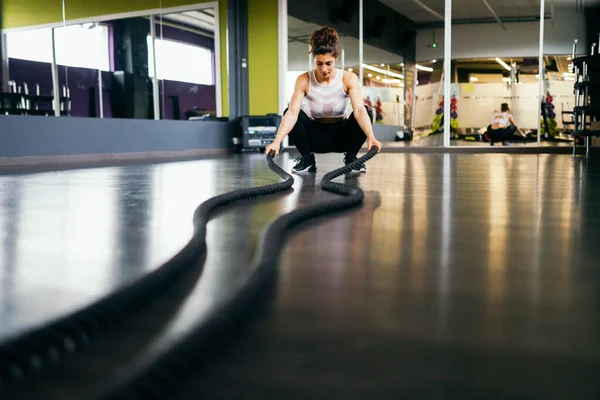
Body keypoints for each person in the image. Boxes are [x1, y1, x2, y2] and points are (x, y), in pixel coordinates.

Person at [265, 26, 382, 173]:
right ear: (314, 59)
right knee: (289, 111)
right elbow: (293, 113)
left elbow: (358, 110)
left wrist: (371, 137)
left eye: (329, 63)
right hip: (315, 137)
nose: (324, 69)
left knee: (366, 110)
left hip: (342, 137)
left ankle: (351, 158)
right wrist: (277, 142)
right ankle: (307, 159)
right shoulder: (303, 80)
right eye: (319, 63)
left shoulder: (348, 78)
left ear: (336, 59)